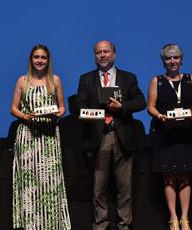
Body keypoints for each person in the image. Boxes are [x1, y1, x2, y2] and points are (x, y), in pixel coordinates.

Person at [76, 40, 146, 230]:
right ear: (95, 56)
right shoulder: (86, 79)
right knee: (99, 188)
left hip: (122, 136)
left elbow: (141, 102)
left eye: (106, 52)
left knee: (125, 188)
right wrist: (96, 114)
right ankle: (101, 224)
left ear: (114, 54)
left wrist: (122, 107)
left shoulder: (128, 77)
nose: (103, 55)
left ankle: (125, 225)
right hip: (99, 138)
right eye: (99, 52)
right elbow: (80, 107)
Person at [10, 44, 71, 230]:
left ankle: (52, 224)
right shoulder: (22, 80)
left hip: (49, 137)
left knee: (50, 180)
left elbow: (62, 108)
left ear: (48, 60)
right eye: (36, 57)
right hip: (27, 136)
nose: (39, 60)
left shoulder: (56, 80)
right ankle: (30, 225)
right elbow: (13, 108)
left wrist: (56, 115)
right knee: (29, 181)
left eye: (43, 57)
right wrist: (25, 116)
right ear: (31, 59)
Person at [147, 44, 192, 230]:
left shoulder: (190, 79)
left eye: (176, 57)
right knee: (169, 177)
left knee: (186, 176)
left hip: (185, 132)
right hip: (165, 133)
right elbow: (151, 106)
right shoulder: (157, 81)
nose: (172, 61)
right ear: (163, 61)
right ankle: (173, 217)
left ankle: (185, 218)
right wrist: (159, 116)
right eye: (168, 58)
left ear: (181, 59)